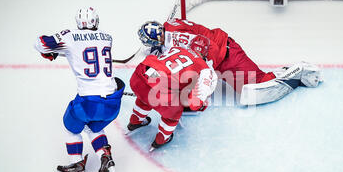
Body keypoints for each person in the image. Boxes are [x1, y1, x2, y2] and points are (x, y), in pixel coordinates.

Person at [137, 18, 322, 106]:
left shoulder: (180, 41)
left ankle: (299, 71)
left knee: (256, 90)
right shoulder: (170, 26)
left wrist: (198, 89)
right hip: (218, 57)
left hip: (227, 54)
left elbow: (203, 58)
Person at [34, 7, 124, 172]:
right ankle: (106, 159)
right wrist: (60, 52)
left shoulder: (70, 36)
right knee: (92, 127)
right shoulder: (107, 37)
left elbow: (40, 44)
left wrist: (51, 52)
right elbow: (85, 50)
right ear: (96, 21)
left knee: (71, 127)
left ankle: (76, 166)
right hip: (113, 102)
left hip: (88, 102)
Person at [127, 28, 217, 151]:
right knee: (173, 112)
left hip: (140, 74)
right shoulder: (205, 68)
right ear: (206, 53)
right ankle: (161, 139)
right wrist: (194, 105)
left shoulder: (176, 49)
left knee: (145, 96)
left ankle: (135, 122)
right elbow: (198, 98)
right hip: (161, 91)